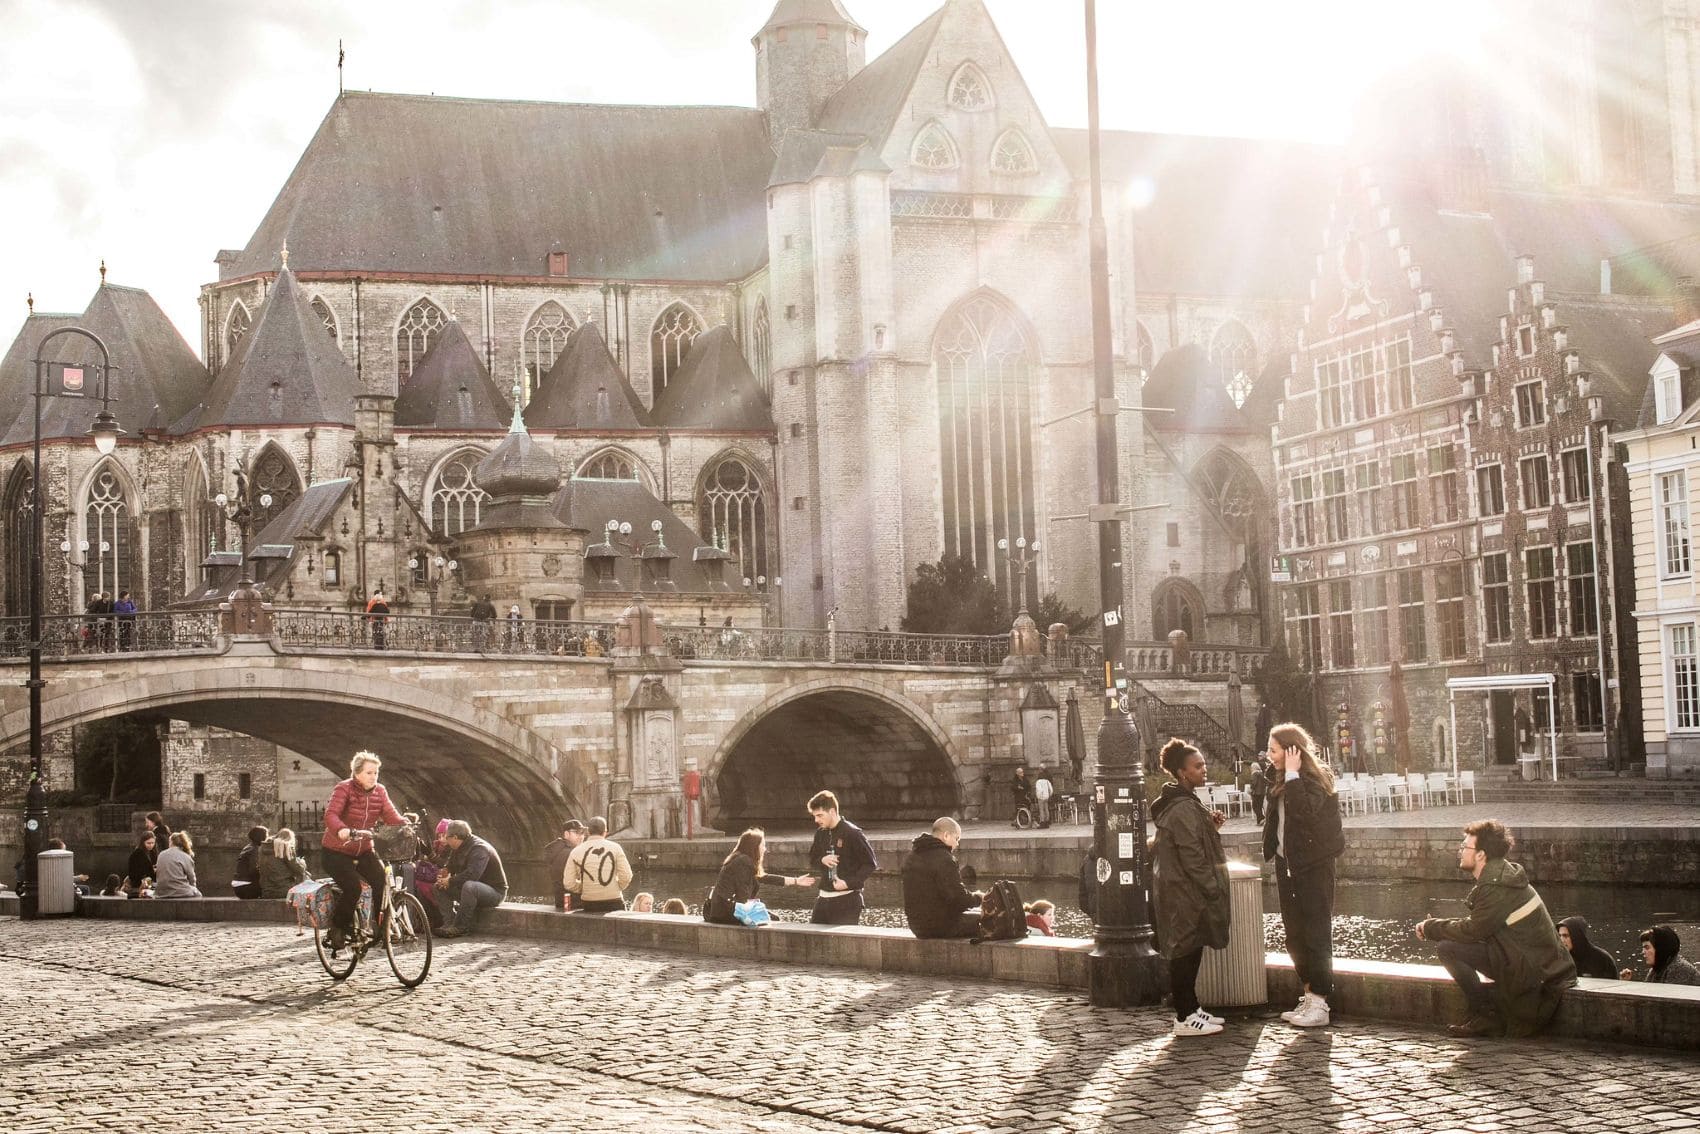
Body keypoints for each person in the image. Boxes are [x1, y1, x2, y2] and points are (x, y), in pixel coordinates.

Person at [1415, 818, 1577, 1037]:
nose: (1460, 851)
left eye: (1465, 847)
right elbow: (1481, 925)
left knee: (1447, 948)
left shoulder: (1495, 886)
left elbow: (1473, 930)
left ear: (1481, 854)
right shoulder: (1501, 875)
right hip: (1540, 963)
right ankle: (1485, 1016)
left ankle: (1486, 1016)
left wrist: (1430, 927)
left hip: (1534, 971)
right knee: (1453, 944)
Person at [1261, 722, 1345, 1029]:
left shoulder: (1313, 780)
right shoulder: (1280, 778)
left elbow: (1304, 814)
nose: (1268, 755)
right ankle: (1309, 994)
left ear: (1292, 750)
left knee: (1315, 931)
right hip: (1287, 864)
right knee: (1294, 934)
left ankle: (1321, 1002)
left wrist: (1294, 774)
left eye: (1273, 750)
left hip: (1313, 865)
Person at [1153, 737, 1231, 1038]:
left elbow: (1191, 841)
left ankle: (1192, 1007)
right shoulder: (1183, 807)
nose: (1204, 769)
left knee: (1191, 947)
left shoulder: (1184, 802)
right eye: (1198, 766)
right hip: (1184, 891)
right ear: (1183, 773)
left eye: (1204, 764)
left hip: (1182, 890)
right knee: (1184, 951)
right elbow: (1192, 855)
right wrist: (1212, 887)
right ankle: (1184, 1016)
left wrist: (1209, 827)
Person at [321, 750, 409, 949]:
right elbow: (331, 814)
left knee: (381, 882)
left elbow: (390, 815)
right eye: (369, 773)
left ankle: (379, 928)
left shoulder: (380, 791)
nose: (374, 777)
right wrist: (341, 829)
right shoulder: (344, 788)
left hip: (363, 849)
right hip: (336, 851)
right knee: (353, 887)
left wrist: (405, 824)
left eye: (376, 773)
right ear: (357, 773)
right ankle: (338, 928)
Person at [704, 827, 812, 925]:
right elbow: (742, 894)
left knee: (772, 917)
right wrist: (754, 908)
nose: (765, 849)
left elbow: (765, 877)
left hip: (723, 909)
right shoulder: (743, 861)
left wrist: (796, 881)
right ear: (754, 847)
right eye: (763, 845)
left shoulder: (741, 859)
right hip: (725, 912)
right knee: (772, 919)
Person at [901, 816, 983, 939]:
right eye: (956, 838)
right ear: (946, 836)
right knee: (990, 920)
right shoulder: (945, 859)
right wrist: (978, 898)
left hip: (917, 927)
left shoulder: (911, 857)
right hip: (942, 926)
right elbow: (958, 898)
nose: (957, 844)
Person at [807, 790, 877, 925]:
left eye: (820, 815)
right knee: (815, 942)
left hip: (847, 900)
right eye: (815, 816)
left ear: (832, 811)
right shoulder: (820, 833)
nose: (816, 820)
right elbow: (812, 859)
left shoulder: (852, 833)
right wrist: (822, 859)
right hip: (823, 897)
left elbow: (870, 863)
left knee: (843, 945)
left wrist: (848, 883)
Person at [435, 819, 508, 937]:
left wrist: (450, 881)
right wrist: (445, 872)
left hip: (494, 892)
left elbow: (473, 875)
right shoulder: (458, 847)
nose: (446, 841)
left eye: (447, 837)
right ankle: (449, 924)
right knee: (438, 887)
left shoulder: (480, 848)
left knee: (470, 886)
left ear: (455, 837)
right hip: (471, 889)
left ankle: (460, 927)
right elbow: (451, 865)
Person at [563, 816, 632, 914]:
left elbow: (568, 883)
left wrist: (586, 888)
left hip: (589, 902)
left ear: (588, 832)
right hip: (613, 900)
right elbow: (627, 876)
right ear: (605, 832)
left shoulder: (576, 851)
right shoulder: (616, 848)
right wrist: (616, 887)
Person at [1622, 925, 1700, 985]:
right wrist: (1625, 984)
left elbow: (1666, 1003)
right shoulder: (1657, 969)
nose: (1643, 952)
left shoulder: (1679, 969)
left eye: (1647, 947)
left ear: (1660, 948)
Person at [542, 819, 587, 911]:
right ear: (566, 834)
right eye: (577, 832)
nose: (581, 836)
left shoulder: (557, 850)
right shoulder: (570, 853)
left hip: (562, 901)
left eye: (582, 833)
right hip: (575, 903)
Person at [1556, 915, 1619, 980]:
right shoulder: (1559, 958)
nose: (1561, 940)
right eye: (1559, 936)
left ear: (1577, 936)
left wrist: (1622, 981)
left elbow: (1614, 986)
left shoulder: (1603, 959)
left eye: (1566, 936)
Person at [259, 828, 310, 898]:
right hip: (284, 890)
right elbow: (298, 870)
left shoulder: (262, 849)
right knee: (305, 875)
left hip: (266, 891)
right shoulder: (286, 846)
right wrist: (302, 863)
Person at [153, 831, 202, 899]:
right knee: (198, 894)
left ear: (171, 842)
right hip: (180, 891)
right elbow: (192, 878)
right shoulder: (186, 856)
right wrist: (193, 888)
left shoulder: (161, 854)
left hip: (161, 892)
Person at [232, 825, 267, 900]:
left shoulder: (248, 847)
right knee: (272, 889)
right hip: (246, 887)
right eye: (266, 836)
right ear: (262, 837)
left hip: (237, 886)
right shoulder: (254, 850)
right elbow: (253, 870)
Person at [1248, 752, 1271, 824]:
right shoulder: (1261, 774)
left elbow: (1254, 783)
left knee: (1255, 807)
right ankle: (1259, 821)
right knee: (1260, 806)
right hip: (1262, 792)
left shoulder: (1254, 774)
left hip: (1256, 793)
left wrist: (1251, 788)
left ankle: (1262, 818)